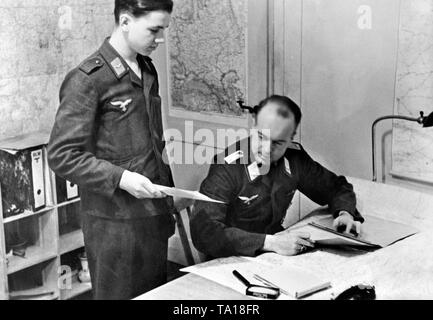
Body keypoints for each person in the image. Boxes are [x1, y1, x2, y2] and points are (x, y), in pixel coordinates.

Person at [48, 0, 177, 300]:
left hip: (152, 216)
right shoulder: (88, 79)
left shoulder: (146, 68)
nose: (160, 39)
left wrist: (169, 198)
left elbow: (154, 144)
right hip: (113, 224)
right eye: (154, 30)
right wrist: (122, 178)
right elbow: (61, 154)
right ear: (125, 21)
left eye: (163, 31)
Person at [190, 95, 364, 258]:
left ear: (290, 139)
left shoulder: (295, 158)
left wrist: (344, 213)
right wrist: (270, 242)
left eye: (278, 143)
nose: (266, 149)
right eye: (261, 137)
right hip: (232, 257)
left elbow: (337, 188)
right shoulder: (227, 166)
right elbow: (204, 232)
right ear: (253, 124)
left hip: (275, 254)